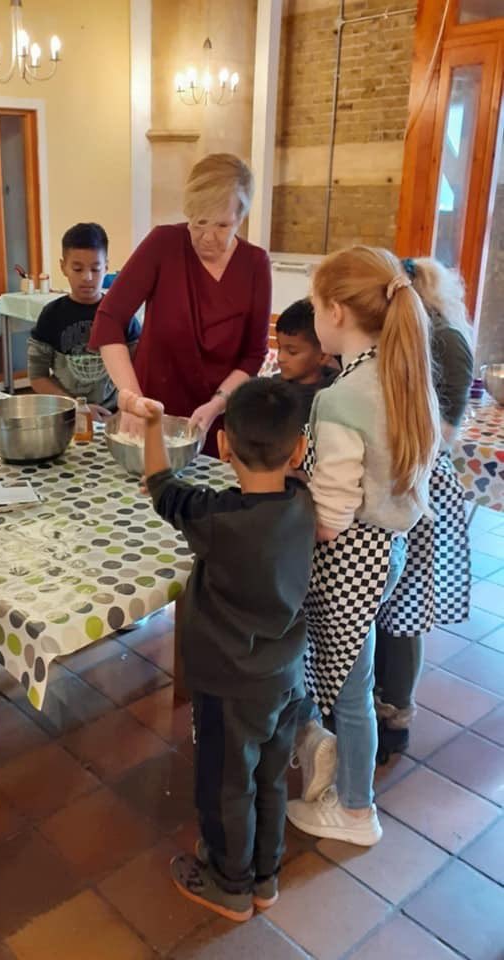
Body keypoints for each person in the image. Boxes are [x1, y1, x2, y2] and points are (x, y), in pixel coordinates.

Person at [121, 379, 315, 921]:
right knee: (269, 777)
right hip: (285, 677)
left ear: (223, 445)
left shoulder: (216, 517)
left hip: (230, 684)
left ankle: (229, 885)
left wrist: (155, 423)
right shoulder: (303, 503)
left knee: (226, 784)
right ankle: (263, 877)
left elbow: (160, 483)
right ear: (299, 450)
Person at [286, 247, 440, 847]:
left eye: (315, 307)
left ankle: (355, 810)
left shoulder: (340, 399)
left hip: (350, 556)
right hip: (388, 549)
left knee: (351, 691)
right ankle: (338, 775)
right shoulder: (400, 374)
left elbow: (329, 519)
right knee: (359, 677)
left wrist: (291, 495)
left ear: (336, 312)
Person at [89, 153, 271, 456]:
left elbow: (253, 355)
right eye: (199, 223)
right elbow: (109, 320)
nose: (208, 237)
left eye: (223, 225)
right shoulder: (164, 244)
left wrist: (216, 405)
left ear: (242, 218)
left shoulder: (255, 264)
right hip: (150, 413)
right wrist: (132, 398)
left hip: (217, 417)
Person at [374, 257, 473, 761]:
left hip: (419, 482)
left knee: (405, 604)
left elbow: (446, 430)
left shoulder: (447, 341)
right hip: (391, 477)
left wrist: (397, 457)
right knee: (381, 597)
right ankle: (376, 703)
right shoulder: (395, 337)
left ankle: (397, 712)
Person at [27, 222, 140, 419]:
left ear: (106, 267)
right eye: (77, 269)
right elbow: (38, 376)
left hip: (114, 416)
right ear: (63, 267)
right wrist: (75, 407)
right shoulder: (51, 315)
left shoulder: (122, 315)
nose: (87, 277)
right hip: (66, 415)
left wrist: (124, 413)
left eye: (95, 269)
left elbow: (140, 371)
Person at [272, 298, 338, 422]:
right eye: (279, 348)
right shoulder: (271, 393)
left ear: (323, 356)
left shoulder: (335, 395)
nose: (280, 358)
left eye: (292, 352)